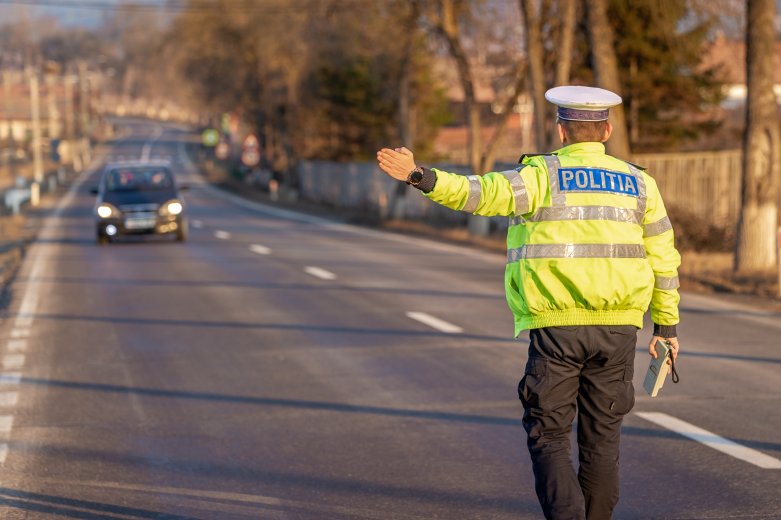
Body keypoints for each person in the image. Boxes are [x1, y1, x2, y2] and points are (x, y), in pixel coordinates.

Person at [376, 85, 681, 520]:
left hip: (556, 328)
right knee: (602, 439)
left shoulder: (540, 176)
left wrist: (418, 175)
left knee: (550, 434)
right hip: (619, 329)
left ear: (561, 131)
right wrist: (666, 328)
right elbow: (664, 259)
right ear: (607, 131)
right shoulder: (640, 183)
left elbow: (476, 193)